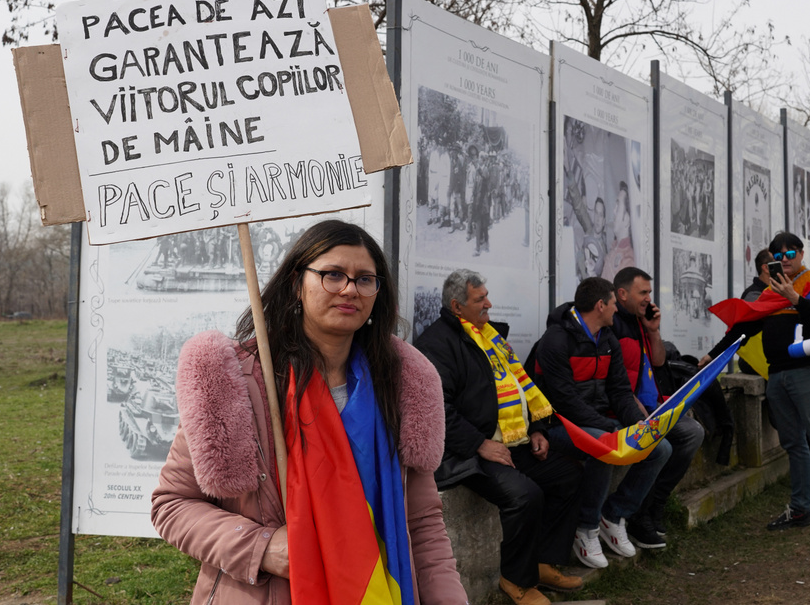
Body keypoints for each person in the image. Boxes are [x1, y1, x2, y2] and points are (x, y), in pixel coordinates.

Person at [152, 220, 466, 604]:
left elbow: (422, 523)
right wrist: (261, 547)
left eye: (366, 279)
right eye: (333, 275)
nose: (350, 289)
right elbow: (172, 505)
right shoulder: (237, 379)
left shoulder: (401, 386)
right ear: (297, 284)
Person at [415, 270, 584, 605]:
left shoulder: (490, 336)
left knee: (570, 475)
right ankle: (516, 581)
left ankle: (542, 562)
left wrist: (536, 429)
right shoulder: (438, 344)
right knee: (525, 495)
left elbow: (518, 389)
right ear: (457, 306)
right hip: (468, 453)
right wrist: (479, 444)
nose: (489, 304)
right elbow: (437, 409)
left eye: (486, 295)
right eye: (480, 299)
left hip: (511, 442)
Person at [705, 232, 810, 534]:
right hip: (776, 375)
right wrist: (711, 356)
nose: (785, 260)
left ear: (801, 254)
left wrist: (794, 298)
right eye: (778, 256)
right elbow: (744, 328)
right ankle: (800, 509)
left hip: (806, 373)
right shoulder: (770, 292)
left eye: (790, 254)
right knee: (793, 443)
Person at [528, 277, 673, 569]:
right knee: (604, 446)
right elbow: (566, 403)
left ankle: (615, 514)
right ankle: (586, 528)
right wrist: (612, 429)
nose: (616, 311)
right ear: (600, 305)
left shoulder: (607, 339)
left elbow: (620, 392)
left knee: (660, 447)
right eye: (612, 304)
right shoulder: (555, 341)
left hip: (595, 422)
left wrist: (639, 425)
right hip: (558, 426)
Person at [611, 267, 704, 548]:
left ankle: (654, 504)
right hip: (624, 409)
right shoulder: (611, 323)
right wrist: (636, 409)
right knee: (661, 444)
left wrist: (653, 332)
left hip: (649, 405)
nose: (648, 299)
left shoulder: (642, 322)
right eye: (643, 293)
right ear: (622, 293)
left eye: (650, 293)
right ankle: (633, 514)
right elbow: (612, 383)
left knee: (693, 433)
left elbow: (660, 361)